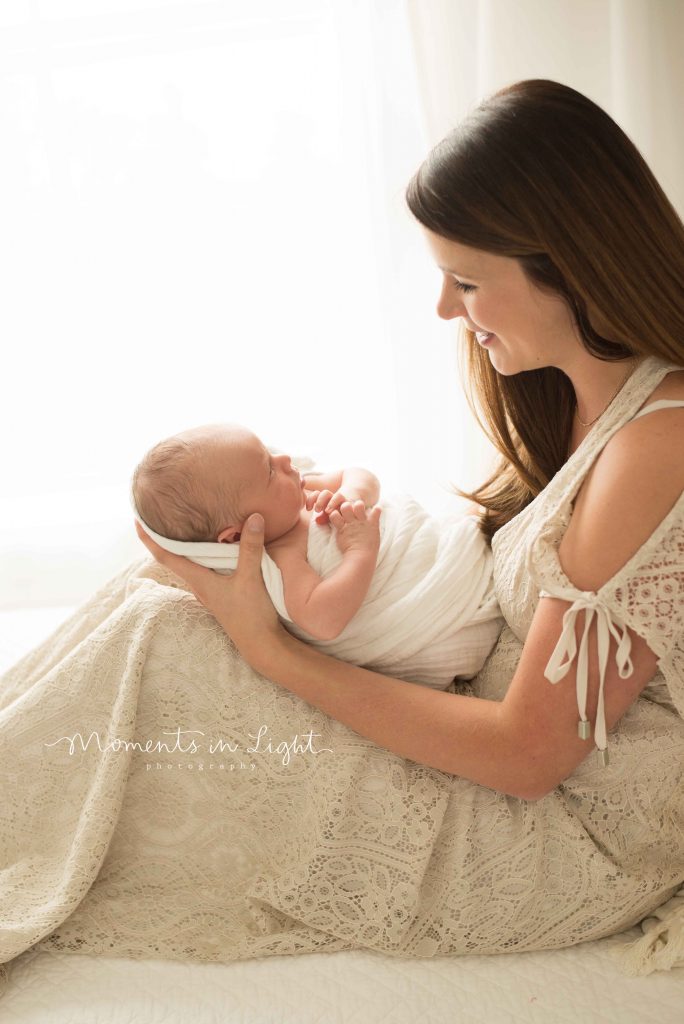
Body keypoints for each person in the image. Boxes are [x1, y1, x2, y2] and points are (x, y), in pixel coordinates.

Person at [2, 78, 682, 983]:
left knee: (171, 646)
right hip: (482, 723)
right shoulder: (581, 401)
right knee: (161, 606)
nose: (446, 309)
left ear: (569, 264)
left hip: (569, 827)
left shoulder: (657, 446)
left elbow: (530, 757)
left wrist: (274, 650)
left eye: (468, 280)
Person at [130, 422, 503, 688]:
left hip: (440, 547)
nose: (286, 461)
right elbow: (324, 619)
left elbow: (361, 475)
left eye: (270, 454)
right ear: (236, 537)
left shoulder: (301, 494)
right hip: (435, 615)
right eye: (269, 471)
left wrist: (352, 494)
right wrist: (360, 551)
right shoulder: (282, 558)